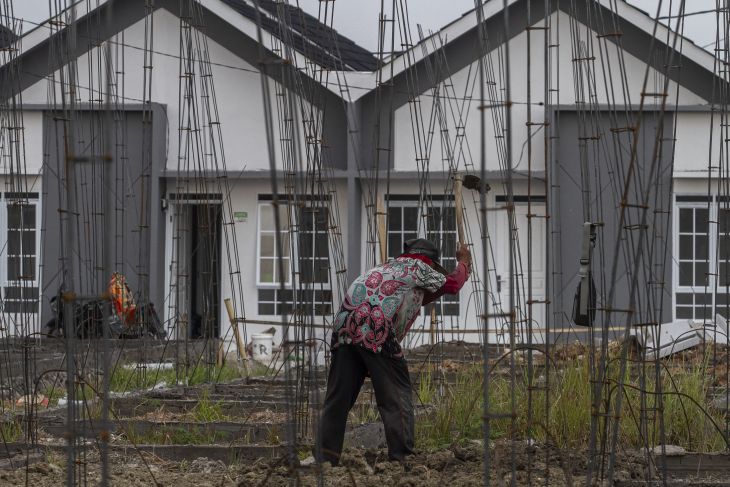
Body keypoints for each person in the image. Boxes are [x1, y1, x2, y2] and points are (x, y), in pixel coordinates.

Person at [315, 238, 472, 465]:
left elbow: (425, 295)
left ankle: (325, 459)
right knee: (396, 397)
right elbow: (453, 285)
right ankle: (402, 458)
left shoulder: (386, 268)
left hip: (344, 326)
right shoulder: (418, 267)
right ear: (431, 264)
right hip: (376, 328)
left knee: (337, 400)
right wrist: (464, 263)